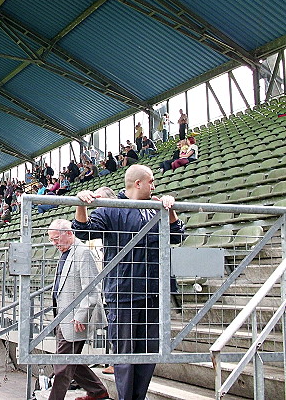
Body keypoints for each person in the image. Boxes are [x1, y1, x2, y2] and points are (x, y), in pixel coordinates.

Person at [72, 165, 185, 400]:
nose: (154, 186)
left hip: (153, 293)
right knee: (124, 353)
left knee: (150, 352)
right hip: (123, 294)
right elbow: (83, 231)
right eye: (151, 181)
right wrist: (80, 204)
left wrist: (170, 208)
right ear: (138, 183)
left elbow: (177, 236)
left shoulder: (155, 209)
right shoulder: (111, 210)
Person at [47, 219, 109, 400]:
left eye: (56, 239)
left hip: (75, 320)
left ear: (68, 233)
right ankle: (98, 391)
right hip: (63, 317)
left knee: (63, 366)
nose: (54, 243)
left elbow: (92, 289)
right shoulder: (66, 252)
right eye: (52, 240)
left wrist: (82, 315)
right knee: (69, 360)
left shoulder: (82, 253)